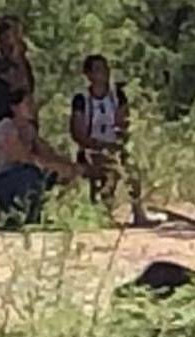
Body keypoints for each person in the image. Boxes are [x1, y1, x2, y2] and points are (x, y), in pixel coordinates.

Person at [69, 54, 162, 228]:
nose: (104, 74)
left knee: (132, 169)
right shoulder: (82, 99)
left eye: (105, 69)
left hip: (114, 147)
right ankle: (104, 213)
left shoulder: (117, 95)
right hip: (90, 149)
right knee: (108, 171)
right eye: (98, 70)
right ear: (88, 75)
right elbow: (78, 133)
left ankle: (138, 213)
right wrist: (99, 146)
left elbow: (123, 123)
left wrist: (119, 142)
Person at [0, 91, 86, 225]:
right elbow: (25, 158)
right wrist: (57, 168)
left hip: (9, 177)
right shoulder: (6, 129)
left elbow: (47, 153)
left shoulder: (28, 129)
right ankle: (25, 214)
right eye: (28, 104)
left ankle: (41, 211)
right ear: (14, 108)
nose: (33, 107)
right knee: (31, 174)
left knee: (48, 175)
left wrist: (71, 167)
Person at [0, 14, 35, 134]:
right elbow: (13, 85)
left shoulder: (23, 64)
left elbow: (27, 88)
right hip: (0, 120)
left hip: (21, 119)